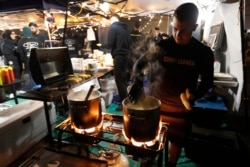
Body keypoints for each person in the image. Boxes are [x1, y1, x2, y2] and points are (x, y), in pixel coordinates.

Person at [128, 3, 214, 167]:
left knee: (177, 139)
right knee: (149, 142)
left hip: (181, 109)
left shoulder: (203, 52)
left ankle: (171, 164)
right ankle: (147, 160)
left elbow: (208, 81)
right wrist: (137, 82)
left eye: (183, 31)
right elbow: (139, 64)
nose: (177, 34)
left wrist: (195, 94)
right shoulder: (163, 46)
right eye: (174, 28)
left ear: (194, 27)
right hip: (157, 105)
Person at [107, 14, 131, 111]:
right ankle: (127, 101)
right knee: (124, 79)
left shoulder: (113, 27)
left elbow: (109, 43)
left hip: (119, 57)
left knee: (119, 80)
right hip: (128, 56)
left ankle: (123, 104)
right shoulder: (125, 28)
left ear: (112, 20)